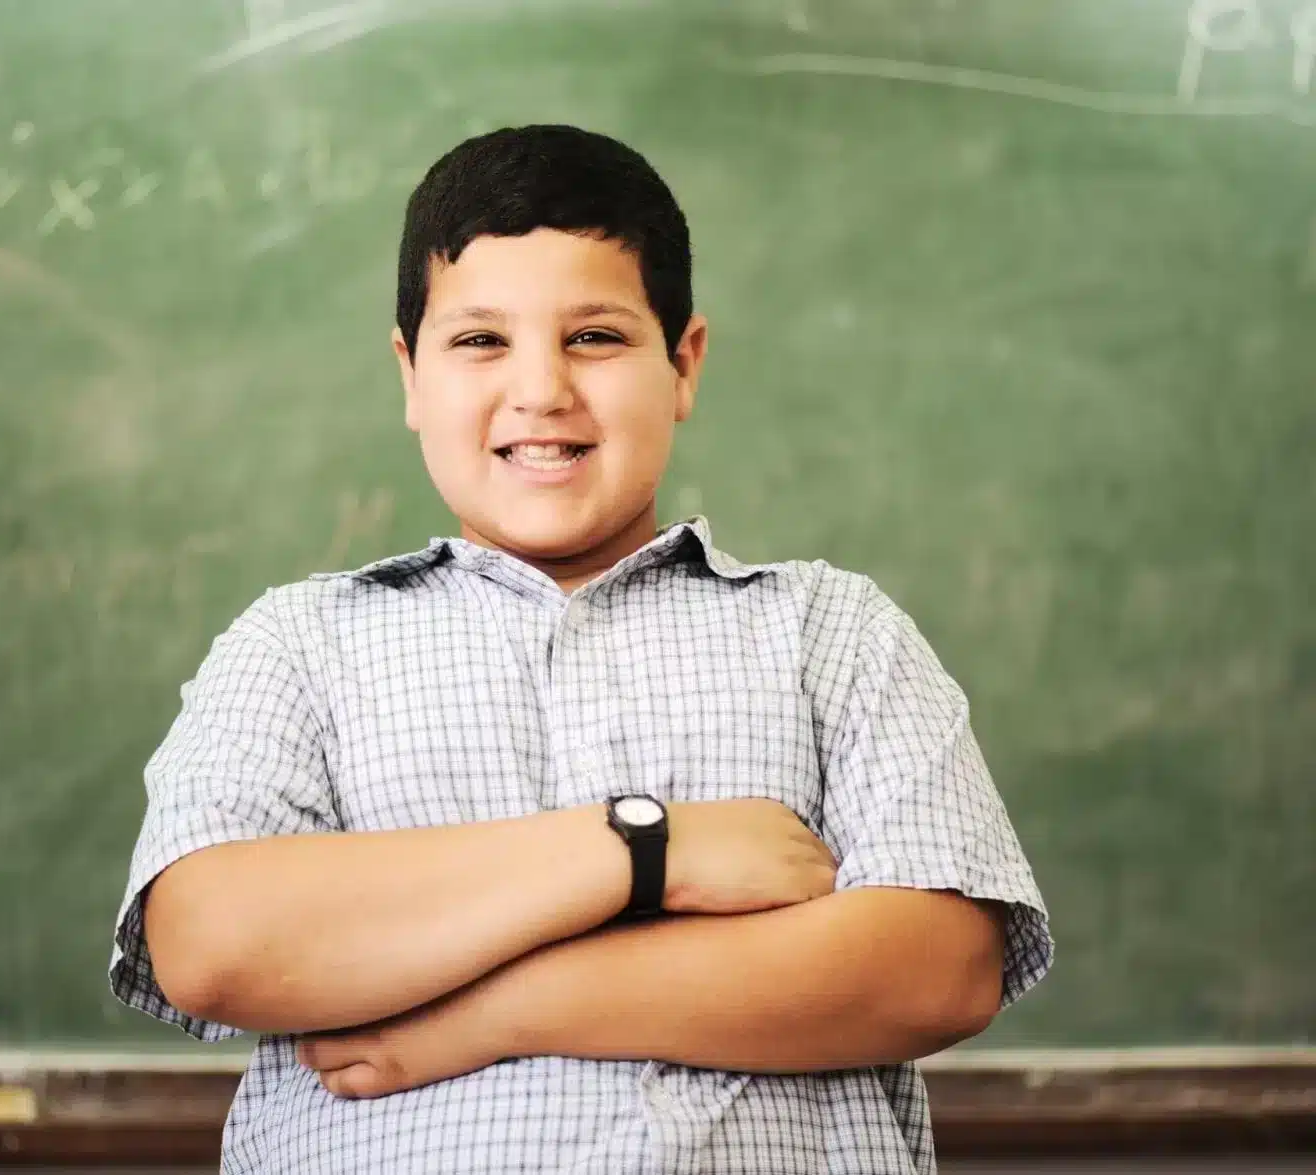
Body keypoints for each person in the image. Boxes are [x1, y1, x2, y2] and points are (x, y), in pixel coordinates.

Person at [110, 124, 1052, 1174]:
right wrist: (648, 847)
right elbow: (214, 940)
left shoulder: (829, 631)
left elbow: (935, 967)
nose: (542, 389)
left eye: (595, 337)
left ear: (683, 363)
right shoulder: (298, 645)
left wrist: (490, 1010)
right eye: (479, 342)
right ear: (409, 373)